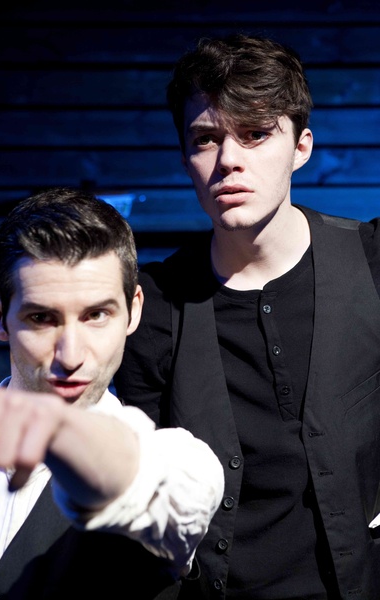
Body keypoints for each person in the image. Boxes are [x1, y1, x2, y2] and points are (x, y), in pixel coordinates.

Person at [113, 33, 380, 600]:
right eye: (206, 139)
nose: (229, 159)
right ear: (186, 158)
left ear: (301, 147)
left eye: (256, 134)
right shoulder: (154, 305)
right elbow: (147, 501)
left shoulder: (371, 261)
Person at [0, 187, 224, 600]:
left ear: (134, 311)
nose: (71, 355)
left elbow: (158, 488)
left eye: (96, 315)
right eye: (42, 318)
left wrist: (56, 430)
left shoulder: (177, 460)